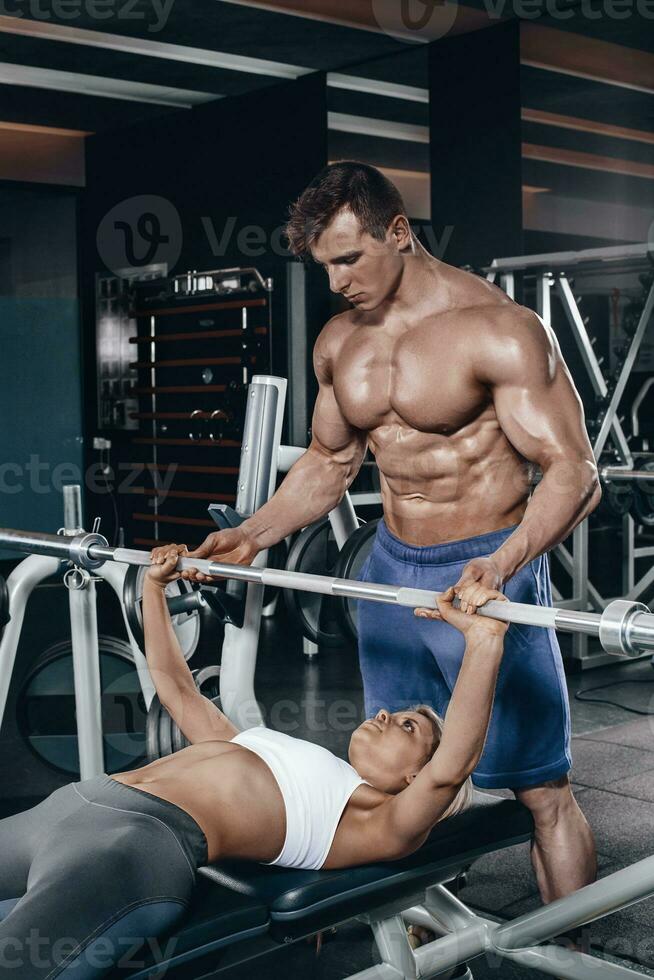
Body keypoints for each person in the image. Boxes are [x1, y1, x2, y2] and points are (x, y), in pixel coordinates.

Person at [185, 161, 600, 906]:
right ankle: (417, 938)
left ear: (399, 233)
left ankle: (571, 947)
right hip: (386, 572)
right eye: (325, 266)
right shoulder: (341, 341)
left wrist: (502, 565)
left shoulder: (500, 330)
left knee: (541, 790)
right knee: (394, 783)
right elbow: (330, 459)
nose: (338, 280)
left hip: (483, 578)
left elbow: (574, 471)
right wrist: (254, 534)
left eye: (350, 258)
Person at [0, 546, 506, 978]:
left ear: (414, 777)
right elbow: (177, 690)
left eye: (408, 726)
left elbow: (453, 767)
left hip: (128, 849)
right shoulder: (271, 752)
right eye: (395, 712)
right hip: (68, 807)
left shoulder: (376, 823)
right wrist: (153, 590)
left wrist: (483, 643)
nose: (384, 713)